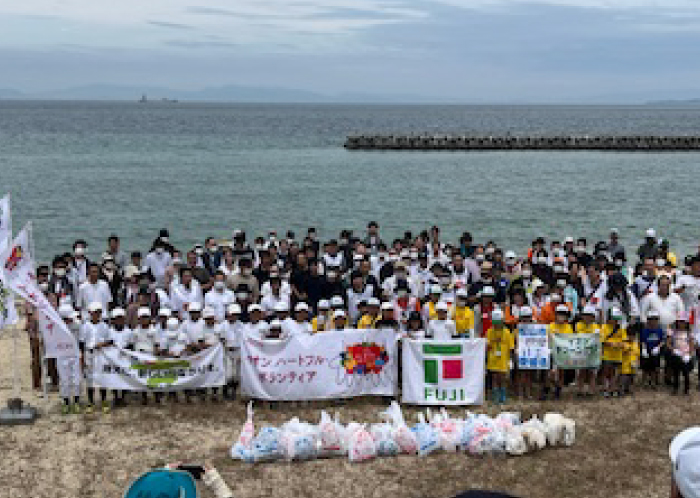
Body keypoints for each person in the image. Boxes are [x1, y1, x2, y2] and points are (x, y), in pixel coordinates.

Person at [81, 301, 112, 414]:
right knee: (90, 379)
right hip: (89, 353)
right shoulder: (85, 326)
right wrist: (82, 358)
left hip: (101, 354)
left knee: (102, 378)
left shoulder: (104, 326)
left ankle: (104, 401)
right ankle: (90, 402)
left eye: (99, 312)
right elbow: (82, 343)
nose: (97, 314)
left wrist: (102, 344)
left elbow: (110, 341)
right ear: (90, 313)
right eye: (95, 312)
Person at [546, 304, 574, 400]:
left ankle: (558, 390)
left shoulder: (568, 327)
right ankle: (547, 388)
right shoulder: (550, 326)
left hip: (562, 353)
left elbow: (569, 340)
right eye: (559, 314)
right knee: (550, 373)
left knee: (561, 373)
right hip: (551, 352)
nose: (561, 317)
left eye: (563, 315)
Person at [58, 304, 82, 414]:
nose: (72, 319)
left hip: (75, 355)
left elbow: (81, 340)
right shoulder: (57, 327)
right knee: (64, 380)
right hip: (62, 356)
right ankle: (66, 403)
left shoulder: (78, 324)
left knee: (77, 380)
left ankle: (76, 402)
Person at [486, 308, 513, 404]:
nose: (497, 324)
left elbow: (510, 347)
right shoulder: (489, 331)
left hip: (503, 359)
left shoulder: (506, 332)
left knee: (502, 378)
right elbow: (487, 346)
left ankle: (503, 395)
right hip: (493, 359)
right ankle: (495, 395)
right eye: (495, 322)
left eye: (499, 322)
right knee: (494, 378)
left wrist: (510, 360)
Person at [601, 307, 628, 397]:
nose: (615, 321)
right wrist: (610, 343)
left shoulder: (621, 329)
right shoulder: (604, 327)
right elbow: (602, 340)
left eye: (617, 319)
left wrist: (621, 344)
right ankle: (605, 389)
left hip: (617, 355)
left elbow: (624, 340)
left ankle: (613, 388)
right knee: (606, 372)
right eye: (614, 319)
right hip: (607, 355)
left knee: (615, 373)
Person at [574, 305, 601, 397]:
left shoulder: (596, 326)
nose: (587, 317)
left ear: (593, 317)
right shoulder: (578, 325)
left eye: (590, 315)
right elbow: (580, 335)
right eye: (585, 315)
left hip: (592, 352)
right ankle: (580, 390)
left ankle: (591, 390)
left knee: (592, 372)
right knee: (581, 371)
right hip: (581, 352)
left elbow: (596, 338)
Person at [667, 314, 696, 396]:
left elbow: (692, 344)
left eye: (683, 322)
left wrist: (690, 354)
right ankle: (675, 389)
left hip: (685, 356)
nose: (681, 323)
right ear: (677, 322)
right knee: (676, 373)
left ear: (686, 323)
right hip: (676, 355)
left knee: (686, 373)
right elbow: (668, 343)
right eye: (679, 321)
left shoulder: (688, 333)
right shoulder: (673, 332)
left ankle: (686, 390)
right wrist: (673, 350)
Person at [639, 309, 665, 389]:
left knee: (654, 368)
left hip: (655, 351)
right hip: (646, 350)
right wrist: (643, 349)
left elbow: (663, 340)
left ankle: (653, 382)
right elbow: (642, 341)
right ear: (648, 320)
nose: (653, 321)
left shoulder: (660, 330)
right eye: (651, 319)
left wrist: (658, 347)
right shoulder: (644, 330)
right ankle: (644, 382)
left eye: (655, 319)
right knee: (645, 368)